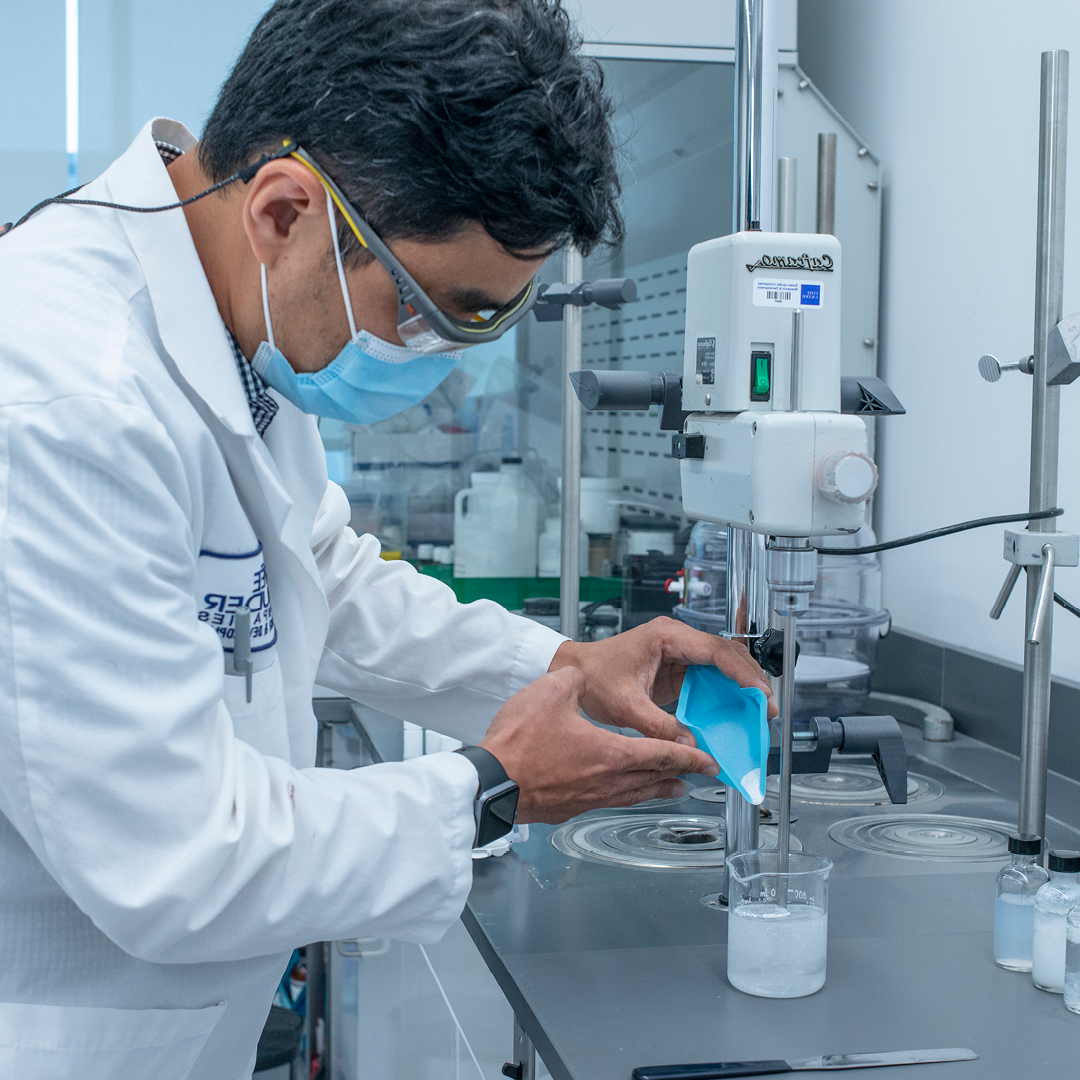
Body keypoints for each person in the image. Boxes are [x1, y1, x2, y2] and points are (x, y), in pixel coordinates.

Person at [0, 1, 773, 1077]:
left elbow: (321, 576)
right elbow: (171, 857)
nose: (438, 362)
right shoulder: (61, 396)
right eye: (427, 312)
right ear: (283, 211)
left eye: (485, 326)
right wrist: (491, 788)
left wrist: (566, 668)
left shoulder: (236, 330)